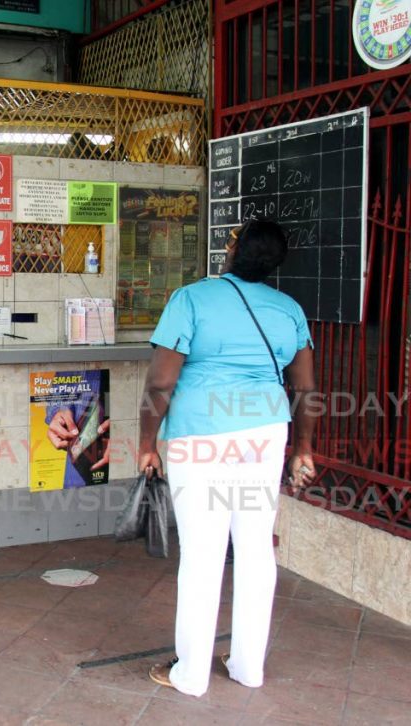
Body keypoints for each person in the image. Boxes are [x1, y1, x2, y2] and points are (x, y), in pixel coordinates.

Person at [138, 219, 317, 697]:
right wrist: (301, 448)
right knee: (257, 549)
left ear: (235, 249)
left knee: (203, 553)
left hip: (202, 436)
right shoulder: (288, 310)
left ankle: (191, 674)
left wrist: (146, 443)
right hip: (264, 434)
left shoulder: (192, 299)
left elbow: (160, 383)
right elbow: (304, 389)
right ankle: (246, 667)